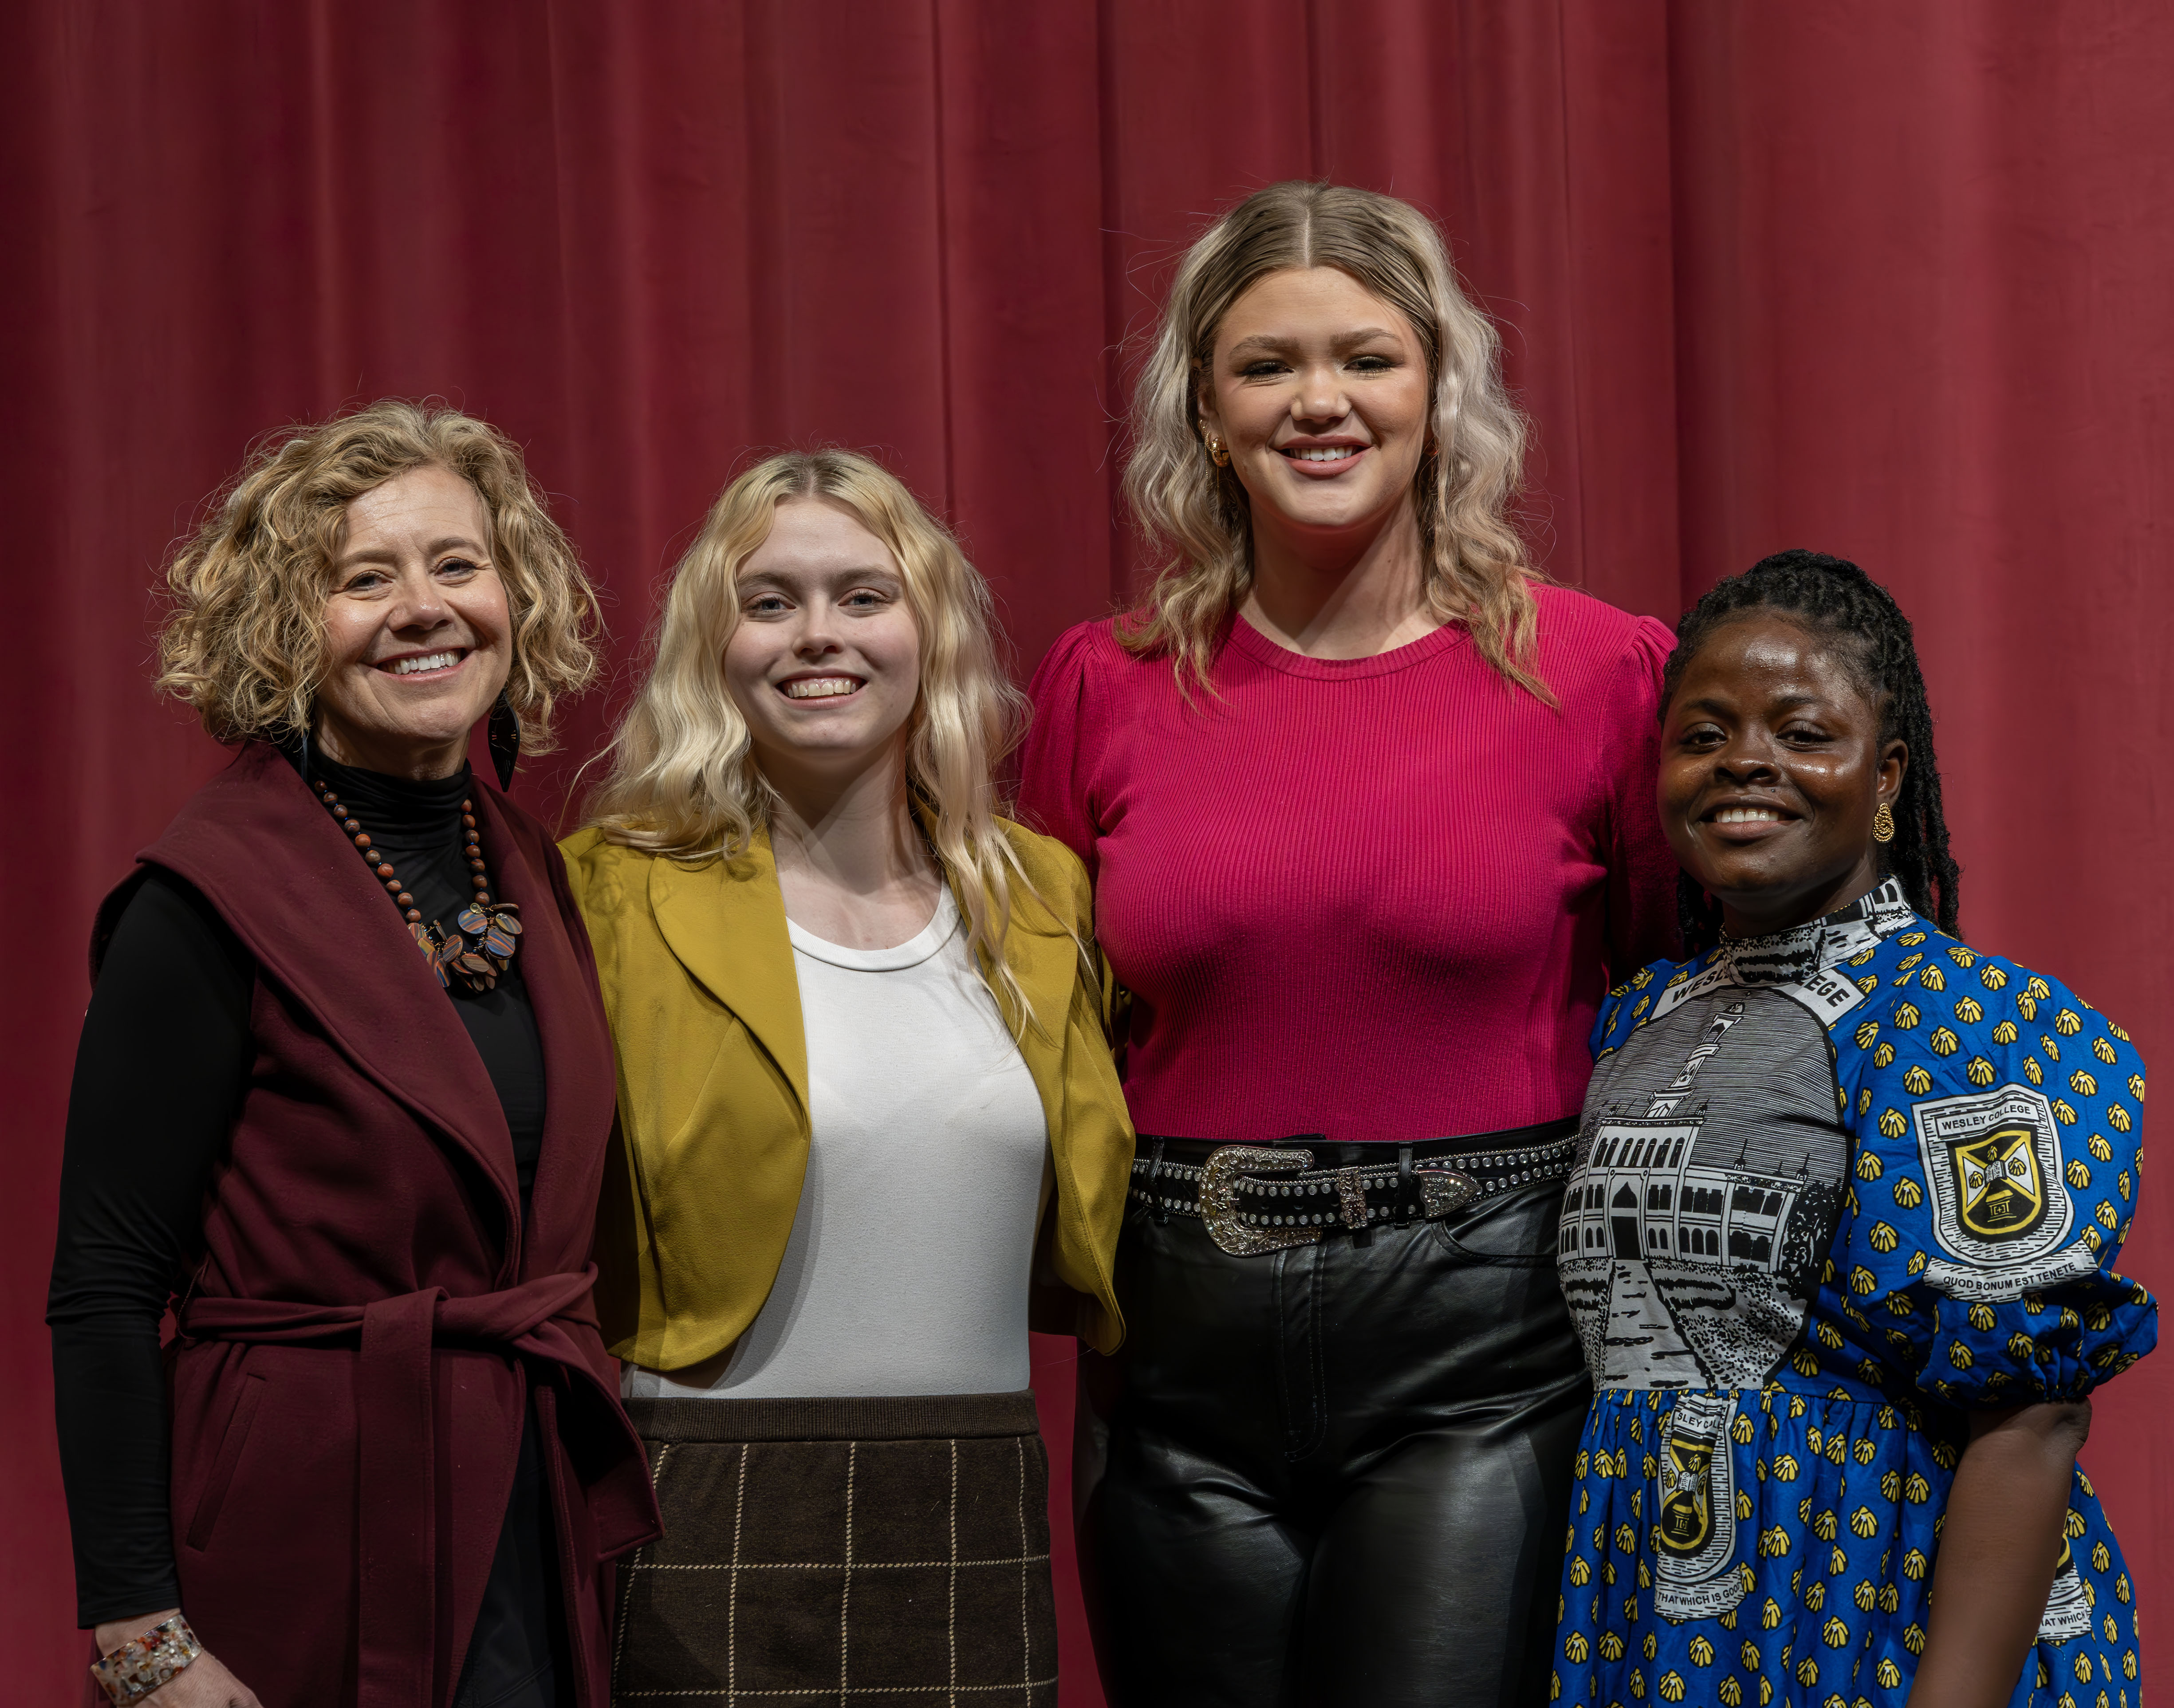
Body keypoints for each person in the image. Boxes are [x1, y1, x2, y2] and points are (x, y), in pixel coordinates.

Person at [1019, 180, 1681, 1707]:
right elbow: (1050, 1023)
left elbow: (1671, 1000)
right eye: (1267, 365)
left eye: (1366, 358)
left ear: (1440, 387)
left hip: (1484, 1346)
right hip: (1173, 1349)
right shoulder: (1098, 687)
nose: (1320, 402)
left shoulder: (1602, 673)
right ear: (1205, 405)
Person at [47, 401, 660, 1708]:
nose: (422, 608)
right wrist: (141, 1640)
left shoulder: (532, 865)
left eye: (455, 564)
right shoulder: (201, 898)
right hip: (299, 1542)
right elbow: (103, 1289)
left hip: (526, 1509)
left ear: (516, 593)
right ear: (281, 626)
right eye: (360, 579)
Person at [561, 449, 1132, 1705]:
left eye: (863, 594)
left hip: (978, 1488)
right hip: (704, 1491)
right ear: (715, 644)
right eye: (769, 601)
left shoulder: (1039, 896)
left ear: (928, 626)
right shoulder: (608, 889)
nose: (818, 634)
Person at [1553, 551, 2153, 1708]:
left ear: (1885, 777)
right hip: (1657, 1631)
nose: (1745, 762)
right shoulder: (1634, 1016)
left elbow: (2028, 1415)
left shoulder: (1975, 1029)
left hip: (1878, 1627)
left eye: (1799, 731)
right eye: (1703, 734)